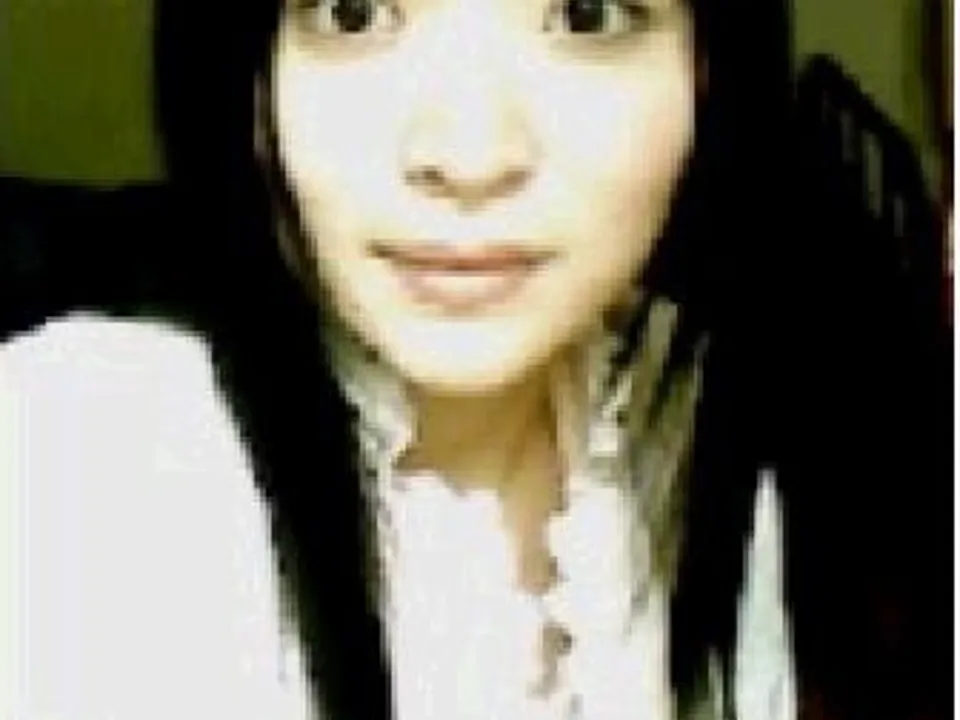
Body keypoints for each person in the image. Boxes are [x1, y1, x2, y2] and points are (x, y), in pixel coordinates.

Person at [11, 0, 937, 718]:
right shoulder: (84, 458)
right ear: (250, 75)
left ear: (707, 71)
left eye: (587, 14)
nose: (470, 156)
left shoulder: (696, 422)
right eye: (354, 12)